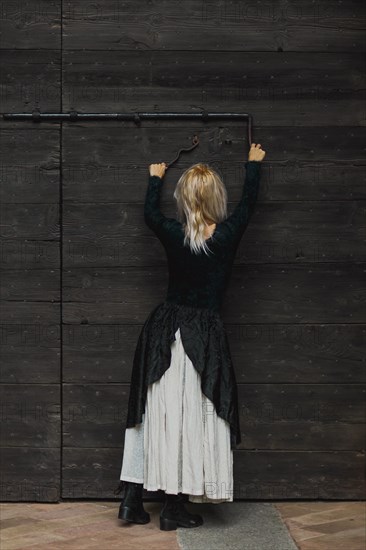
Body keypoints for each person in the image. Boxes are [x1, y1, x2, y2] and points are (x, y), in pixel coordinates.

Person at [114, 142, 266, 531]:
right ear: (216, 198)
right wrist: (252, 166)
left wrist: (154, 178)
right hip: (201, 335)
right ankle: (172, 508)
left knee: (153, 416)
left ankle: (132, 503)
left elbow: (150, 215)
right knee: (188, 418)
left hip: (163, 330)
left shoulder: (172, 232)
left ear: (183, 198)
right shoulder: (227, 235)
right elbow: (248, 206)